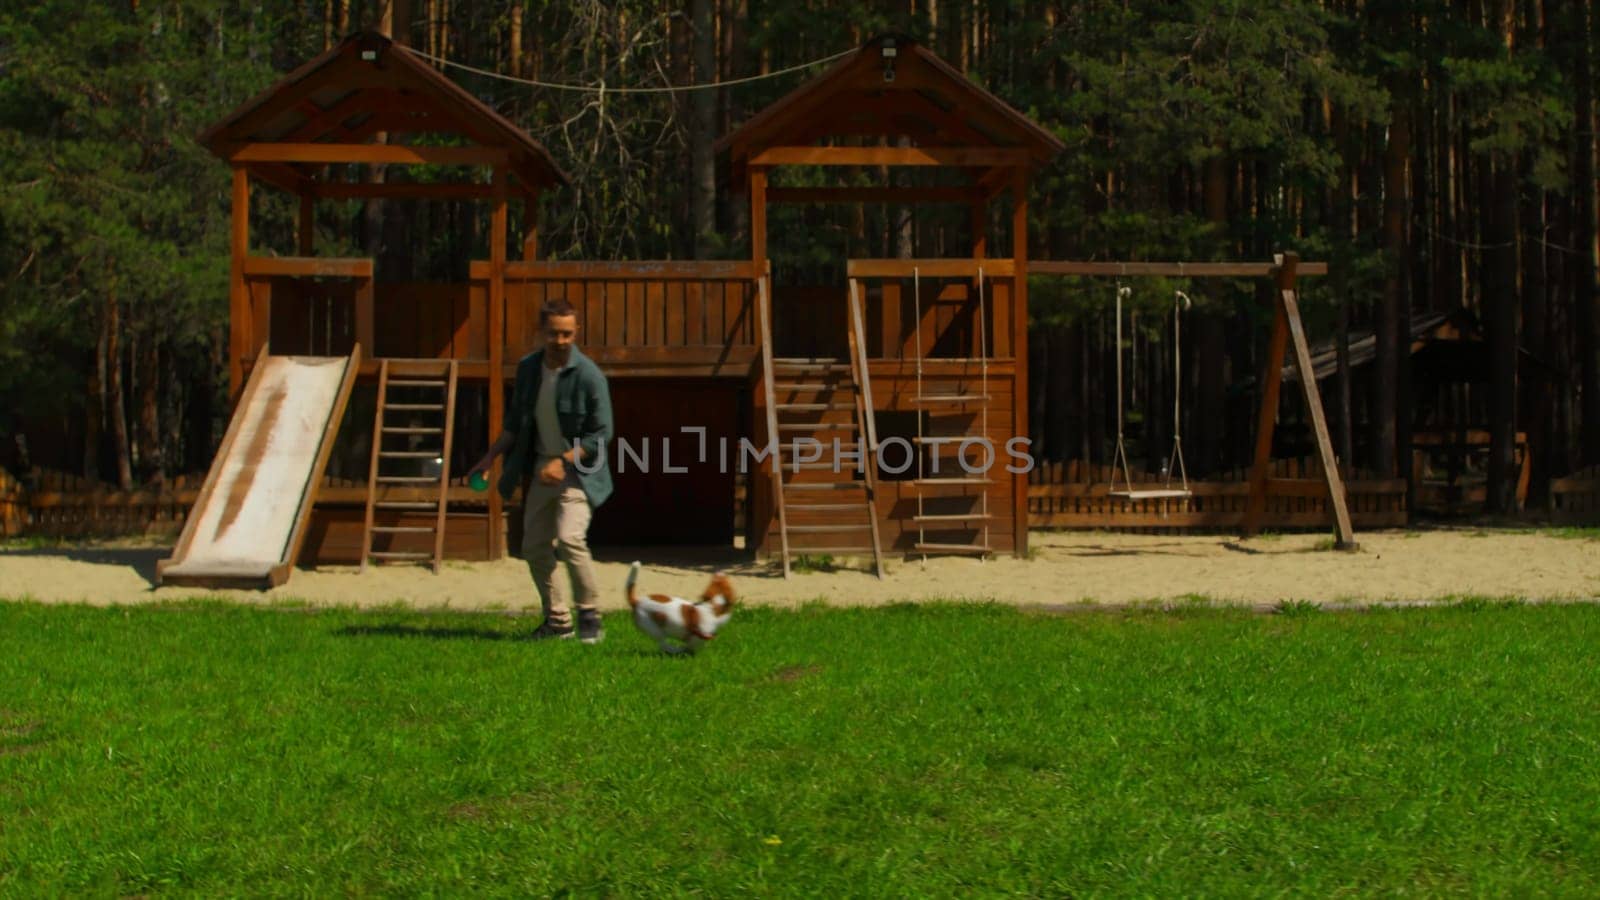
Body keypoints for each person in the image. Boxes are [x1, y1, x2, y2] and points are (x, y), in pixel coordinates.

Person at [469, 298, 613, 644]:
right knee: (533, 546)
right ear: (541, 333)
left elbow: (602, 433)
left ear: (576, 332)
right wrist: (489, 459)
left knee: (569, 538)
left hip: (578, 471)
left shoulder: (590, 376)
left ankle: (590, 612)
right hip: (541, 470)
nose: (561, 341)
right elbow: (515, 425)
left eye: (567, 334)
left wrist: (562, 460)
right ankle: (557, 619)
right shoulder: (529, 370)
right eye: (554, 334)